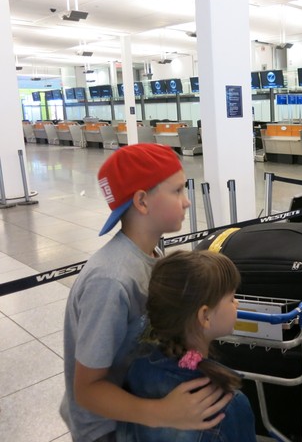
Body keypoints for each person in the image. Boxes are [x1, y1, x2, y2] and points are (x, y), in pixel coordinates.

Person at [61, 143, 232, 442]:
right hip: (109, 428)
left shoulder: (151, 253)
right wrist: (164, 413)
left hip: (142, 393)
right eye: (177, 191)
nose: (187, 202)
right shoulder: (111, 281)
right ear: (142, 201)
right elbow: (87, 391)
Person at [118, 250, 256, 441]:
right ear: (205, 316)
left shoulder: (136, 369)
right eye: (231, 298)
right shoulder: (228, 405)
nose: (237, 303)